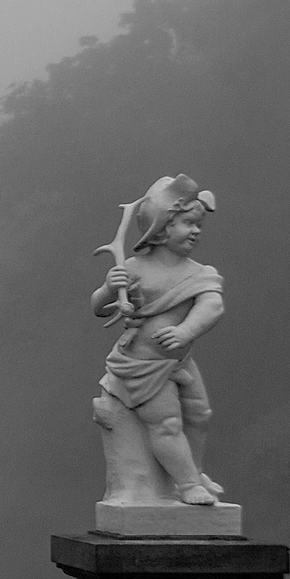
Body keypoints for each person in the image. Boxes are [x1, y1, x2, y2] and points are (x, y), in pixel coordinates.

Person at [91, 175, 222, 505]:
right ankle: (188, 484)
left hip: (179, 360)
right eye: (188, 223)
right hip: (142, 366)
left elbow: (212, 306)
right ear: (161, 228)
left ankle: (195, 471)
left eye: (198, 224)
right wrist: (109, 288)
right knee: (166, 424)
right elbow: (98, 307)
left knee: (200, 415)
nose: (196, 231)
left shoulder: (200, 273)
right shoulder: (133, 268)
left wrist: (185, 332)